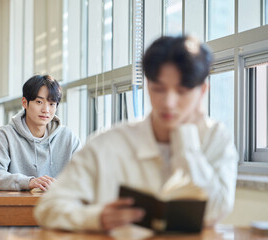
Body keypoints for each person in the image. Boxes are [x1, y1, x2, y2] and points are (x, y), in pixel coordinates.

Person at [34, 36, 238, 231]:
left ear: (202, 91)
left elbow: (215, 211)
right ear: (148, 85)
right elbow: (48, 209)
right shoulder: (108, 143)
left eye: (182, 91)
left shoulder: (216, 138)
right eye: (158, 89)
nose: (168, 102)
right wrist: (97, 218)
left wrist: (186, 141)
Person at [0, 75, 81, 191]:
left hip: (58, 205)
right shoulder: (4, 136)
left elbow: (86, 177)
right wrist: (28, 182)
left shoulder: (68, 137)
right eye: (39, 102)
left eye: (52, 104)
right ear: (25, 103)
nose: (46, 110)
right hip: (16, 206)